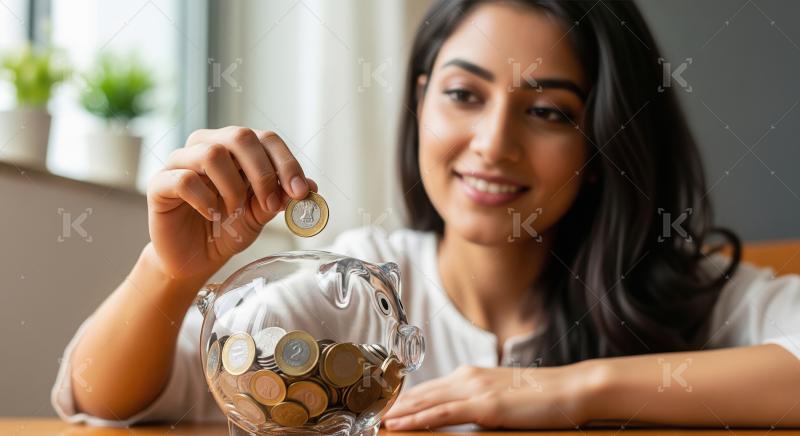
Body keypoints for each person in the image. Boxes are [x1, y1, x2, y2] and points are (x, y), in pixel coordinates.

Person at [52, 0, 800, 431]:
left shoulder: (682, 290)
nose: (493, 145)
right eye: (464, 95)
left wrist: (567, 390)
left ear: (601, 141)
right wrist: (168, 272)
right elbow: (103, 401)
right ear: (419, 103)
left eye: (546, 111)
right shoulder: (357, 286)